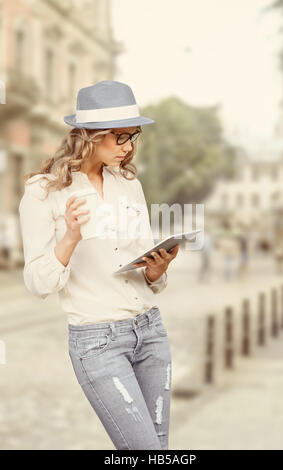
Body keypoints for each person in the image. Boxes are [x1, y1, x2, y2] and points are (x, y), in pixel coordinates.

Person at [18, 80, 179, 450]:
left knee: (159, 451)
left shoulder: (127, 184)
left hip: (151, 332)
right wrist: (70, 238)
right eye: (119, 137)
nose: (128, 147)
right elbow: (37, 282)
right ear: (90, 135)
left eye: (132, 136)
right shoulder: (43, 192)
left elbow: (140, 262)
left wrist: (156, 270)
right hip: (98, 343)